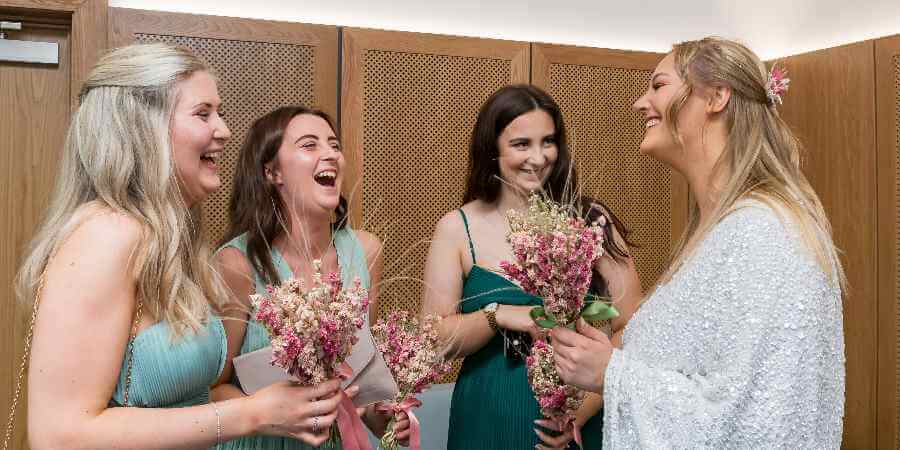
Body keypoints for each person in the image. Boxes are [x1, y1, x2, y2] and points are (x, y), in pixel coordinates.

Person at [19, 43, 346, 449]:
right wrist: (252, 413)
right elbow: (59, 437)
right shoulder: (105, 235)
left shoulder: (167, 242)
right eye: (202, 113)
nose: (224, 131)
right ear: (143, 127)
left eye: (219, 113)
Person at [551, 37, 846, 449]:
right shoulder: (718, 232)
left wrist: (612, 374)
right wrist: (617, 360)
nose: (640, 103)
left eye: (658, 86)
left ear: (717, 96)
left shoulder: (766, 235)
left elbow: (761, 419)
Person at [422, 84, 643, 450]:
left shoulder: (591, 221)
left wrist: (579, 412)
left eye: (548, 142)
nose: (538, 158)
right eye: (521, 144)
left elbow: (632, 328)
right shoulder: (456, 228)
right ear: (492, 149)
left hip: (575, 415)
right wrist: (498, 315)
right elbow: (434, 343)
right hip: (486, 417)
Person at [210, 106, 410, 449]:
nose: (330, 153)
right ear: (272, 172)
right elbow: (211, 389)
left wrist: (385, 416)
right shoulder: (237, 263)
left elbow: (360, 375)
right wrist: (271, 412)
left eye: (333, 145)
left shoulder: (366, 251)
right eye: (309, 145)